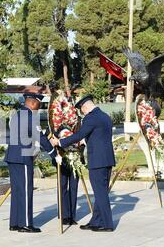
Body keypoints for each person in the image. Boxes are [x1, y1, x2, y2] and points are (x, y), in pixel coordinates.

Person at [50, 94, 116, 232]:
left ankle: (107, 223)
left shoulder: (91, 118)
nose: (82, 113)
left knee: (100, 193)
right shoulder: (105, 116)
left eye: (82, 110)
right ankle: (96, 221)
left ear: (85, 107)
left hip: (97, 161)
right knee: (101, 192)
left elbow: (79, 135)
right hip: (107, 159)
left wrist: (60, 142)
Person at [5, 93, 57, 233]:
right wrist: (53, 154)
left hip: (12, 157)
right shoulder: (30, 117)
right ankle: (26, 224)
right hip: (23, 158)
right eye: (39, 106)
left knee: (17, 191)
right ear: (33, 103)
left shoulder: (16, 115)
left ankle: (15, 222)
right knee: (26, 190)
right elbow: (39, 137)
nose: (39, 109)